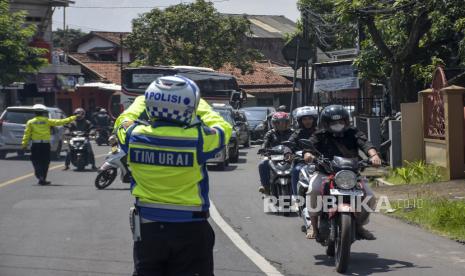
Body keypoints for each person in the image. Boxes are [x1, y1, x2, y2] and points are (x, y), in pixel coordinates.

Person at [115, 76, 232, 276]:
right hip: (191, 229)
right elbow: (224, 128)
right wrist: (200, 105)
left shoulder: (134, 136)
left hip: (148, 230)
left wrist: (143, 99)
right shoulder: (199, 140)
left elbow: (122, 121)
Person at [302, 105, 382, 240]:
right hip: (325, 172)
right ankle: (314, 227)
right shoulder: (320, 134)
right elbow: (309, 145)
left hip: (350, 174)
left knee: (369, 196)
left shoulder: (353, 132)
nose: (338, 125)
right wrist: (308, 154)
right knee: (313, 191)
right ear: (326, 123)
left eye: (341, 121)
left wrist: (374, 156)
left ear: (346, 121)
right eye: (333, 122)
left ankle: (359, 226)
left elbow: (365, 144)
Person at [21, 104, 76, 185]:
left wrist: (24, 145)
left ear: (35, 113)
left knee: (36, 161)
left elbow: (27, 134)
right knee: (45, 161)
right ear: (43, 113)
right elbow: (60, 122)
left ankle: (39, 175)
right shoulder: (47, 121)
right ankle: (42, 177)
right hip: (45, 145)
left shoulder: (30, 122)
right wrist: (73, 117)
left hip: (36, 145)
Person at [258, 111, 293, 194]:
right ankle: (265, 186)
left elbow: (298, 142)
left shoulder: (293, 133)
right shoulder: (270, 133)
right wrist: (263, 149)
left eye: (284, 122)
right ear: (274, 123)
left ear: (288, 123)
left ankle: (298, 187)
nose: (281, 125)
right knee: (262, 163)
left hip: (289, 156)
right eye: (278, 123)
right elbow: (265, 142)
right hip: (274, 156)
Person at [288, 106, 318, 196]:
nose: (307, 121)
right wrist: (288, 152)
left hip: (319, 161)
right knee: (296, 170)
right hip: (302, 161)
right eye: (304, 119)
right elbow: (289, 143)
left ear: (314, 120)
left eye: (309, 118)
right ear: (300, 121)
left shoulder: (320, 132)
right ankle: (297, 198)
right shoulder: (297, 133)